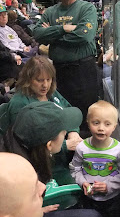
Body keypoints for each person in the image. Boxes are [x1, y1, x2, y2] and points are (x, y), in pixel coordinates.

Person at [33, 0, 98, 129]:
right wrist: (64, 28)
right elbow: (38, 34)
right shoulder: (50, 12)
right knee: (63, 115)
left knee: (86, 117)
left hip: (84, 71)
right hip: (59, 72)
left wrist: (53, 35)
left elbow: (85, 35)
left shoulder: (87, 8)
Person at [7, 56, 83, 184]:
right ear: (28, 80)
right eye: (39, 80)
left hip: (62, 152)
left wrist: (72, 131)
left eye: (49, 79)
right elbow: (27, 145)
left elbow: (67, 110)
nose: (45, 85)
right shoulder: (19, 104)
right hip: (45, 166)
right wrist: (65, 146)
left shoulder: (50, 93)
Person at [70, 101, 120, 217]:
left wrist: (108, 186)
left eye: (107, 124)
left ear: (114, 126)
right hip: (89, 198)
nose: (101, 128)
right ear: (88, 123)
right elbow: (75, 168)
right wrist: (82, 182)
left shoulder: (118, 149)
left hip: (113, 199)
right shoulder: (82, 148)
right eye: (96, 123)